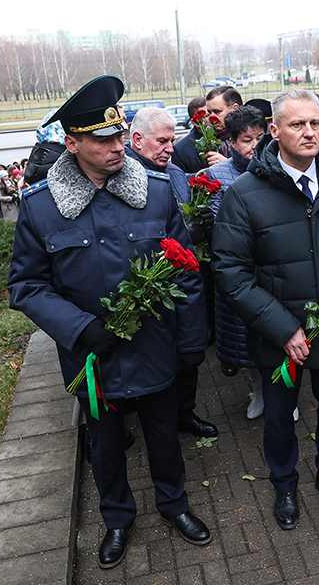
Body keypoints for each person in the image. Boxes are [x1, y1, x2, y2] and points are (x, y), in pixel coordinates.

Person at [7, 76, 212, 569]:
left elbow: (185, 272)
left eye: (120, 135)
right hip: (93, 358)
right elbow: (26, 285)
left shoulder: (158, 192)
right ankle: (117, 517)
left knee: (164, 435)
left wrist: (191, 342)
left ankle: (175, 504)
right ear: (72, 143)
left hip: (155, 346)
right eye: (103, 140)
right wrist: (80, 329)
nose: (117, 147)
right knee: (104, 445)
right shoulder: (40, 205)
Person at [212, 89, 319, 531]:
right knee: (280, 415)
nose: (309, 132)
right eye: (297, 125)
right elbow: (231, 272)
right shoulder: (245, 195)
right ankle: (284, 485)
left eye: (315, 123)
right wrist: (283, 328)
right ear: (274, 131)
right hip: (278, 335)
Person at [125, 106, 218, 440]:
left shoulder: (175, 172)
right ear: (137, 140)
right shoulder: (123, 177)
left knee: (187, 356)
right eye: (161, 141)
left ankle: (184, 413)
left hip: (183, 287)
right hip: (149, 291)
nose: (170, 148)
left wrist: (198, 228)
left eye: (172, 140)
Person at [204, 105, 279, 419]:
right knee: (245, 340)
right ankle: (259, 392)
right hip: (238, 272)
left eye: (260, 138)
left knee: (278, 334)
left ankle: (285, 396)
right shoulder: (216, 176)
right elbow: (216, 222)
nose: (255, 146)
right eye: (247, 140)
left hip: (274, 267)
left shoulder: (280, 167)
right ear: (231, 143)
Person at [170, 96, 210, 173]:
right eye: (208, 115)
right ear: (196, 122)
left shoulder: (225, 138)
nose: (213, 116)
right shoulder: (180, 149)